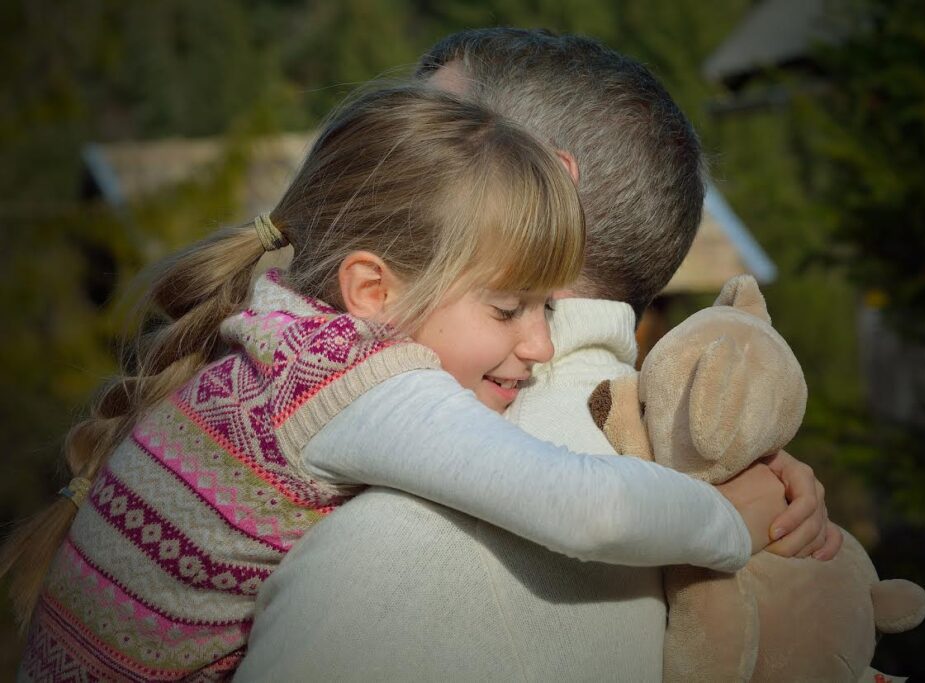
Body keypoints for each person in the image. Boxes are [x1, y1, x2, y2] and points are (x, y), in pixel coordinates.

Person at [6, 85, 784, 681]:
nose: (542, 343)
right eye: (509, 307)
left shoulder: (279, 332)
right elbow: (586, 505)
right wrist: (729, 521)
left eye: (547, 308)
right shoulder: (358, 384)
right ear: (372, 291)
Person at [237, 29, 840, 681]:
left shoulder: (394, 544)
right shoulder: (711, 481)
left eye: (430, 136)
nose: (379, 166)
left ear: (547, 186)